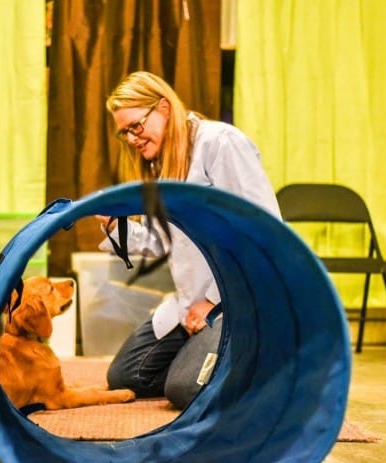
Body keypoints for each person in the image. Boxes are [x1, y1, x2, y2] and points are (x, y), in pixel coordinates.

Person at [95, 71, 282, 409]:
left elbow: (262, 231)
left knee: (183, 389)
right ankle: (205, 352)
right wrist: (115, 227)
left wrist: (214, 300)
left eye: (136, 126)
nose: (132, 138)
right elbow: (162, 241)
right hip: (193, 306)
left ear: (164, 107)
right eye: (125, 133)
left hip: (238, 301)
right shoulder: (163, 163)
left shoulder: (220, 143)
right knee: (126, 377)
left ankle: (266, 361)